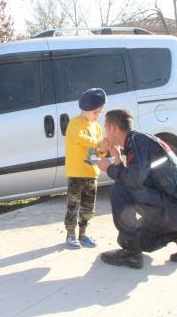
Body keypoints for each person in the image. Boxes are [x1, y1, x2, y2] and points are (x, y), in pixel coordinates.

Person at [97, 109, 177, 269]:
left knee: (119, 189)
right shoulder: (139, 140)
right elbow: (138, 178)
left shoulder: (137, 141)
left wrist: (109, 168)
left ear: (113, 128)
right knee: (139, 241)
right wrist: (117, 159)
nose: (105, 132)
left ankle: (132, 255)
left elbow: (132, 180)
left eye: (105, 127)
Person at [63, 88, 108, 249]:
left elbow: (97, 151)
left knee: (89, 207)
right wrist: (97, 143)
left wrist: (103, 148)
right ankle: (70, 234)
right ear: (85, 109)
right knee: (73, 205)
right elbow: (80, 139)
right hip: (76, 173)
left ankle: (83, 234)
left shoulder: (97, 128)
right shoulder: (75, 124)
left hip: (92, 173)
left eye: (100, 112)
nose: (98, 115)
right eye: (96, 112)